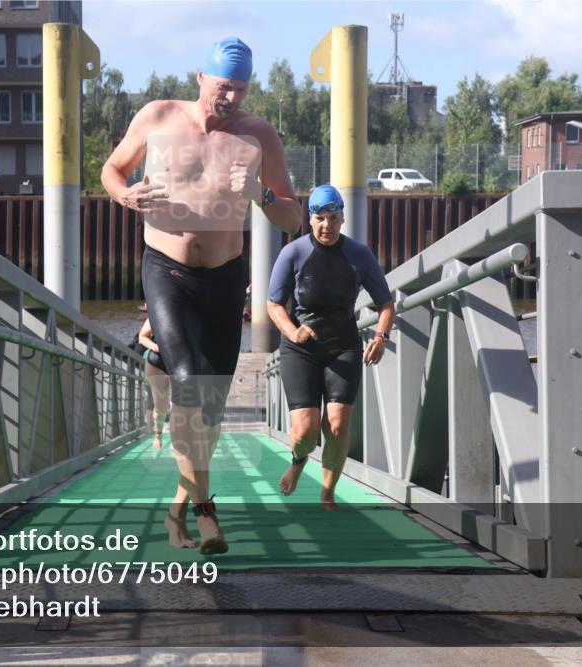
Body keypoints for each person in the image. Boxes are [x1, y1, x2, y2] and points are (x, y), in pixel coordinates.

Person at [102, 37, 301, 554]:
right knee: (190, 382)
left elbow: (292, 217)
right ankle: (207, 512)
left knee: (206, 411)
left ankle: (176, 512)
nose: (230, 98)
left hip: (225, 277)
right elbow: (112, 169)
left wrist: (259, 193)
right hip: (165, 270)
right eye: (222, 86)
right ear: (200, 79)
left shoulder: (259, 136)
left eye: (240, 89)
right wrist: (125, 194)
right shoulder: (158, 115)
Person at [267, 185, 395, 511]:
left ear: (342, 219)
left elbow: (385, 304)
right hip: (301, 348)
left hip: (343, 347)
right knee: (306, 433)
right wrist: (292, 331)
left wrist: (380, 337)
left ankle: (327, 492)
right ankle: (298, 461)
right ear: (310, 220)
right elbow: (273, 305)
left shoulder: (359, 255)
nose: (326, 225)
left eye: (333, 218)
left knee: (336, 425)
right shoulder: (293, 253)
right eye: (320, 218)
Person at [129, 318, 171, 450]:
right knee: (161, 406)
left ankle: (177, 438)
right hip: (158, 361)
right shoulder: (158, 310)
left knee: (180, 403)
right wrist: (155, 347)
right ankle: (157, 434)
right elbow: (142, 337)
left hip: (182, 360)